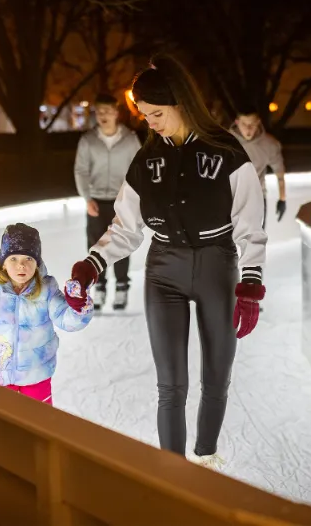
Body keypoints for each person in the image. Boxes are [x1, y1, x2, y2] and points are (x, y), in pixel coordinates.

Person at [66, 54, 267, 469]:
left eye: (156, 113)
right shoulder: (146, 160)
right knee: (170, 384)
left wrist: (250, 284)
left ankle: (207, 456)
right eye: (143, 115)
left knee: (215, 377)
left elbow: (251, 223)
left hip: (217, 266)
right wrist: (91, 266)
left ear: (181, 103)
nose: (149, 123)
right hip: (164, 270)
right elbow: (125, 227)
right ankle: (173, 476)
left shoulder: (228, 153)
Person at [0, 223, 94, 406]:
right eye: (13, 258)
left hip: (36, 376)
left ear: (36, 263)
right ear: (3, 263)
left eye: (28, 258)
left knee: (39, 425)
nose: (21, 265)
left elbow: (67, 320)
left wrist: (78, 305)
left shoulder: (46, 289)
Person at [74, 93, 142, 311]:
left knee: (120, 242)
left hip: (121, 202)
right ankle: (100, 286)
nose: (103, 115)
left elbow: (138, 169)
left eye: (107, 111)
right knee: (96, 244)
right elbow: (81, 170)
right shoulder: (88, 140)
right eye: (99, 111)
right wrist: (87, 198)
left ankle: (122, 286)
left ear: (116, 112)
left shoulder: (130, 139)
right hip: (96, 201)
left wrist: (134, 199)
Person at [229, 104, 286, 228]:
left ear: (258, 122)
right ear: (237, 122)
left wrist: (282, 199)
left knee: (256, 242)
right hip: (231, 200)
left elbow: (279, 171)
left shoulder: (269, 144)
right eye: (244, 124)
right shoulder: (226, 142)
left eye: (252, 125)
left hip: (257, 199)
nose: (248, 129)